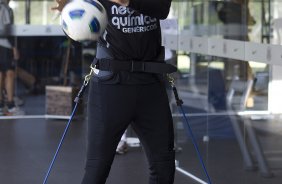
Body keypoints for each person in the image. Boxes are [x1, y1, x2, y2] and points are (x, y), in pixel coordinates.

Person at [53, 0, 176, 183]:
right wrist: (68, 12)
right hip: (110, 88)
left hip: (150, 85)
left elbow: (162, 9)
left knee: (164, 167)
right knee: (97, 169)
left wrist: (127, 1)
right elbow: (79, 29)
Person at [0, 0, 23, 116]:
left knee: (2, 74)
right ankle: (10, 106)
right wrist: (14, 47)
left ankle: (2, 106)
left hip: (4, 44)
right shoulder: (5, 8)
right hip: (5, 45)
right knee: (9, 73)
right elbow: (7, 30)